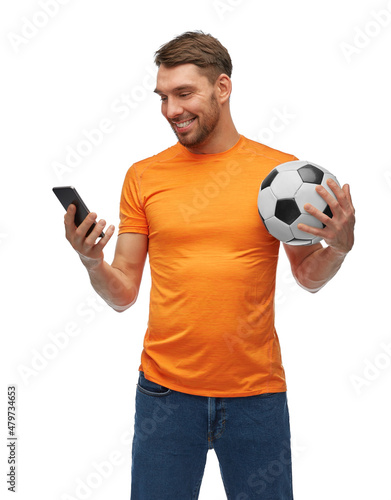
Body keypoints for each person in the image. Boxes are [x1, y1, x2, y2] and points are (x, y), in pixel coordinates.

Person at [63, 31, 355, 500]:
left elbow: (307, 277)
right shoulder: (144, 177)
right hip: (164, 396)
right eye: (163, 97)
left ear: (222, 88)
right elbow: (123, 294)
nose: (171, 110)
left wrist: (339, 247)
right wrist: (90, 260)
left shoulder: (280, 176)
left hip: (257, 397)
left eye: (184, 94)